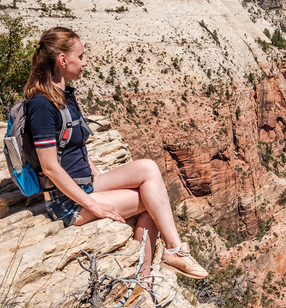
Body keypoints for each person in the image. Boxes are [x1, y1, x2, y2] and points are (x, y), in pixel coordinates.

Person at [24, 26, 208, 279]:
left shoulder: (64, 96)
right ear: (63, 60)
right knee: (152, 204)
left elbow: (73, 146)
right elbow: (49, 167)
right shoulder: (42, 104)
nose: (85, 62)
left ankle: (172, 252)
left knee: (148, 168)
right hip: (67, 203)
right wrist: (94, 205)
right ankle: (150, 275)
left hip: (87, 184)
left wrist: (101, 178)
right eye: (81, 56)